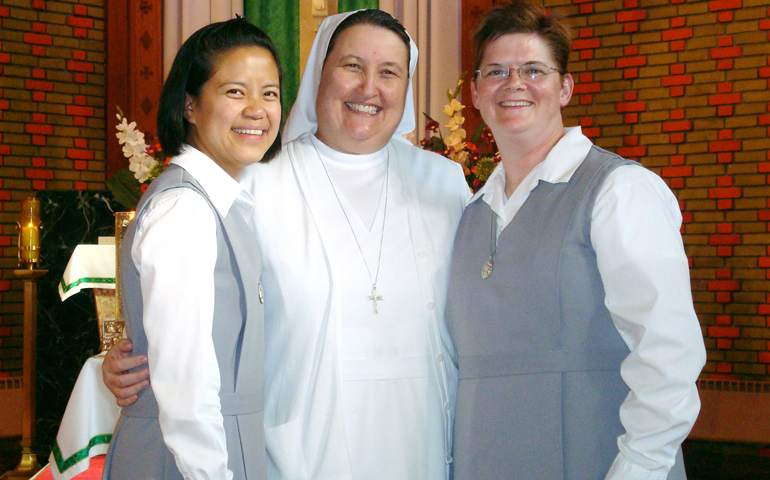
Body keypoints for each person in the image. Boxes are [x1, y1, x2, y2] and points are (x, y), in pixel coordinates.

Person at [103, 9, 470, 480]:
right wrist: (130, 359)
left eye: (389, 72)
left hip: (422, 438)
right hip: (292, 449)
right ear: (321, 71)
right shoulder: (253, 178)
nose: (368, 88)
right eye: (352, 66)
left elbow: (481, 307)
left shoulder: (444, 183)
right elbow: (196, 320)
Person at [444, 2, 706, 480]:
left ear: (565, 88)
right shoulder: (469, 215)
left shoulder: (618, 191)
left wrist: (640, 467)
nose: (514, 83)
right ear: (477, 94)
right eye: (496, 71)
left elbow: (667, 352)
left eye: (534, 70)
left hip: (598, 457)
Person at [102, 18, 282, 480]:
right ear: (190, 105)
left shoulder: (229, 201)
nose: (257, 110)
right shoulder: (185, 208)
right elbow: (186, 381)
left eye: (270, 93)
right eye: (235, 92)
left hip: (223, 445)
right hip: (183, 459)